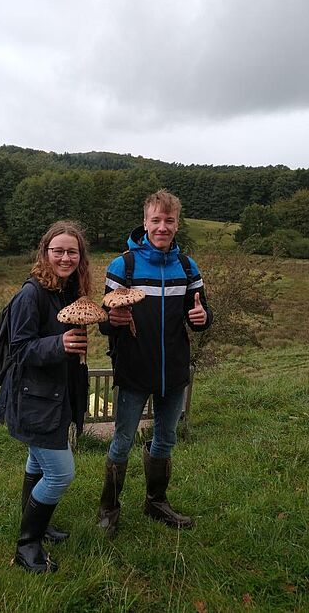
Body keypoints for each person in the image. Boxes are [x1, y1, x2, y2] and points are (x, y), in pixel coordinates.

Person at [97, 190, 213, 535]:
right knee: (122, 439)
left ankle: (156, 502)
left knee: (165, 439)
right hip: (134, 370)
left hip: (174, 371)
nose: (162, 227)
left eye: (169, 220)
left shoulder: (187, 267)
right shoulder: (124, 266)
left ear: (177, 224)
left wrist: (202, 317)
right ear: (145, 222)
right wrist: (111, 321)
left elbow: (201, 316)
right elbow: (104, 319)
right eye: (156, 220)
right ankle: (109, 509)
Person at [0, 221, 90, 573]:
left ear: (81, 257)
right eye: (58, 251)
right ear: (45, 253)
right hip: (33, 400)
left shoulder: (68, 293)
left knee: (37, 463)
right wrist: (59, 344)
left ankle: (39, 526)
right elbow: (18, 351)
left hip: (55, 398)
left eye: (72, 252)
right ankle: (27, 545)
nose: (65, 257)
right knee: (61, 473)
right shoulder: (31, 294)